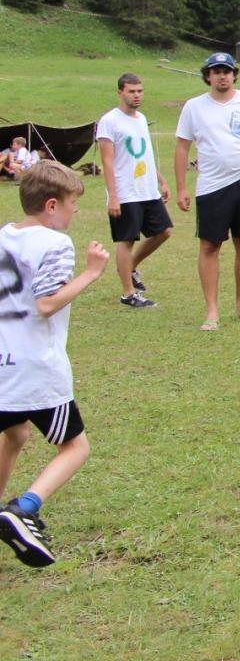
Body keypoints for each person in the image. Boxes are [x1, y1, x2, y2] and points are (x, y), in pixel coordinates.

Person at [0, 160, 110, 567]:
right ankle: (24, 509)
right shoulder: (55, 243)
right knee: (75, 448)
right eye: (71, 204)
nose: (75, 211)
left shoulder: (3, 237)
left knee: (16, 434)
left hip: (2, 366)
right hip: (36, 370)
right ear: (51, 206)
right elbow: (46, 304)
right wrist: (91, 273)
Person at [173, 53, 240, 331]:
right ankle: (212, 311)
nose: (222, 76)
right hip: (211, 187)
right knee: (209, 246)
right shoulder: (194, 107)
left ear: (234, 74)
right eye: (216, 71)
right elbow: (182, 147)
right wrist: (181, 188)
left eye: (226, 71)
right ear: (208, 76)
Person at [95, 73, 172, 309]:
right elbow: (107, 161)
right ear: (120, 92)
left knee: (164, 231)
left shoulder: (141, 119)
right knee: (126, 239)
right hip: (125, 191)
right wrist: (113, 196)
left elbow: (144, 155)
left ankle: (130, 267)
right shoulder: (109, 121)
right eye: (131, 91)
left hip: (147, 189)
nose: (136, 95)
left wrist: (161, 180)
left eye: (139, 91)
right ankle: (128, 294)